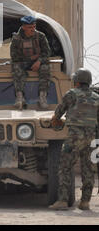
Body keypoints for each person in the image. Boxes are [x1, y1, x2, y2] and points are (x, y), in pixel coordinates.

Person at [49, 68, 99, 211]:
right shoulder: (96, 97)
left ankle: (63, 200)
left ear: (76, 81)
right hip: (90, 138)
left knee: (65, 167)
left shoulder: (71, 94)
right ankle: (85, 202)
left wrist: (55, 120)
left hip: (74, 138)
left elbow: (59, 112)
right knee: (88, 169)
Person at [10, 15, 51, 110]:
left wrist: (39, 61)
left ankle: (42, 97)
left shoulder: (40, 36)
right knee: (16, 68)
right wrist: (30, 58)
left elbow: (47, 52)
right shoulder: (16, 39)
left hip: (37, 62)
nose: (32, 29)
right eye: (30, 27)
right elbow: (14, 56)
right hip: (22, 63)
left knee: (45, 68)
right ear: (24, 27)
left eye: (34, 27)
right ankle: (19, 97)